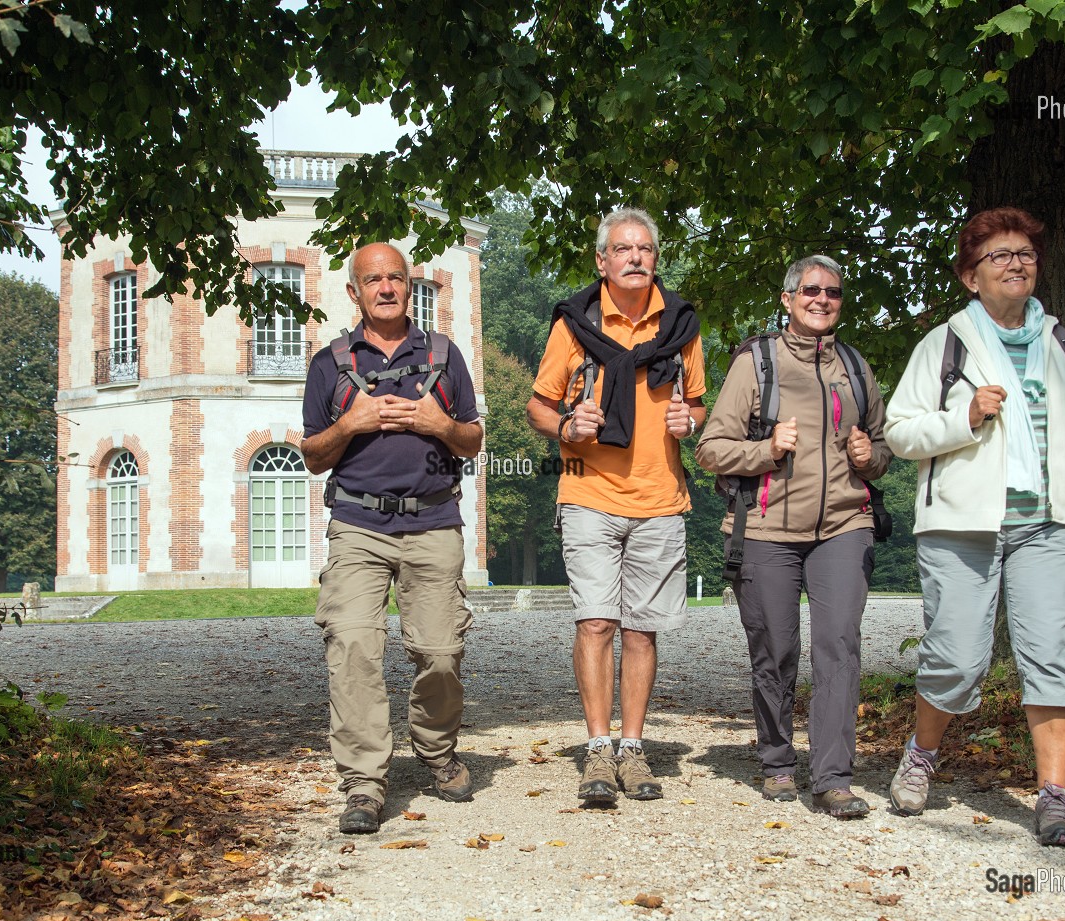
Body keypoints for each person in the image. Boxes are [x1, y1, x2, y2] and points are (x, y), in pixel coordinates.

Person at [884, 207, 1065, 847]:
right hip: (962, 526)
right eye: (1000, 255)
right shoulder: (945, 343)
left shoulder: (1062, 345)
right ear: (971, 277)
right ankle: (922, 753)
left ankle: (1053, 797)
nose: (1016, 263)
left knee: (1052, 653)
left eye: (1025, 253)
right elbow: (901, 433)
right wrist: (963, 416)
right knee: (958, 657)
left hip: (1048, 526)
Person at [695, 255, 891, 818]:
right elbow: (711, 449)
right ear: (788, 299)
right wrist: (766, 449)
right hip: (765, 529)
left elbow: (882, 448)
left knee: (839, 649)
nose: (822, 299)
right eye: (810, 290)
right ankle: (778, 760)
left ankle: (833, 778)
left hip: (844, 527)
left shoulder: (854, 366)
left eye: (832, 291)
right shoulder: (756, 364)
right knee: (776, 651)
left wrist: (869, 456)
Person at [302, 242, 484, 835]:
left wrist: (442, 425)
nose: (386, 288)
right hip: (357, 528)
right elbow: (310, 455)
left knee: (439, 653)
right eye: (372, 280)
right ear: (353, 293)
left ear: (410, 287)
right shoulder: (330, 363)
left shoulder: (443, 353)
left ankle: (435, 750)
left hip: (433, 523)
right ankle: (363, 781)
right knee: (352, 646)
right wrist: (348, 425)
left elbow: (473, 440)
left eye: (396, 279)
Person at [525, 207, 706, 803]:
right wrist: (567, 427)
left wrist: (690, 420)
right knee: (597, 621)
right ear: (602, 261)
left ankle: (633, 748)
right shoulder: (574, 326)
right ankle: (598, 748)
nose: (635, 258)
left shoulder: (681, 325)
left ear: (656, 259)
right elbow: (537, 408)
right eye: (623, 249)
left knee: (643, 631)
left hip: (659, 497)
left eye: (646, 249)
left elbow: (698, 404)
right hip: (589, 493)